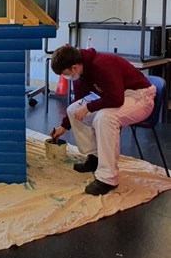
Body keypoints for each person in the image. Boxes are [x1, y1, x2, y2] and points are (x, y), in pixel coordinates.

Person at [49, 44, 155, 196]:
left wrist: (89, 107)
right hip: (115, 95)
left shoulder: (103, 65)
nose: (65, 77)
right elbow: (79, 103)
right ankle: (95, 158)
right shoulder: (79, 74)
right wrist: (63, 127)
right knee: (73, 111)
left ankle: (108, 178)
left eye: (65, 74)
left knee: (105, 117)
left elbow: (116, 99)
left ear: (74, 68)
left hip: (140, 97)